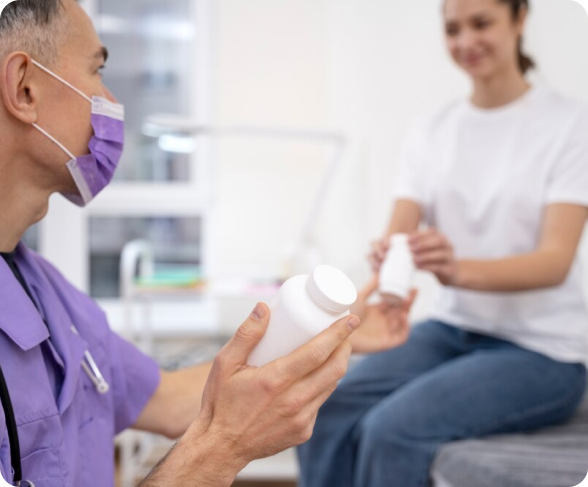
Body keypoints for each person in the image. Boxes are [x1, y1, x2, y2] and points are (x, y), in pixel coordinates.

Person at [0, 1, 415, 485]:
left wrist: (337, 333)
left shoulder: (48, 293)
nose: (108, 99)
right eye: (97, 71)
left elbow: (170, 398)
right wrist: (223, 445)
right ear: (25, 88)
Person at [297, 0, 588, 486]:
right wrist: (390, 256)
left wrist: (456, 270)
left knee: (391, 431)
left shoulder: (569, 125)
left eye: (482, 24)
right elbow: (400, 230)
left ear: (519, 20)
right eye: (452, 29)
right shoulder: (431, 130)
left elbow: (554, 262)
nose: (465, 41)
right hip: (452, 330)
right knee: (326, 404)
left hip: (543, 351)